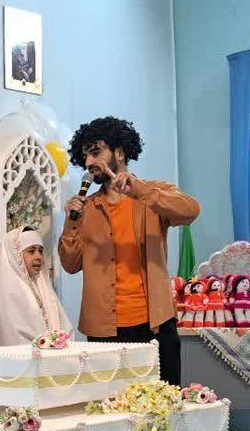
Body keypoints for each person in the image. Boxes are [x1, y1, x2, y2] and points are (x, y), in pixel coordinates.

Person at [59, 117, 199, 386]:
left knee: (164, 403)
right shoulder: (86, 208)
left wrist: (138, 189)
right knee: (109, 405)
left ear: (120, 153)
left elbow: (190, 210)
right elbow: (70, 264)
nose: (88, 162)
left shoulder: (151, 194)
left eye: (96, 152)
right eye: (85, 155)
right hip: (104, 332)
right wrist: (72, 222)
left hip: (155, 325)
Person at [0, 227, 71, 346]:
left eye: (41, 251)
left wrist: (56, 341)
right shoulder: (7, 294)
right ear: (16, 255)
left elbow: (63, 326)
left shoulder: (42, 287)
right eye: (31, 251)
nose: (38, 257)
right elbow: (13, 338)